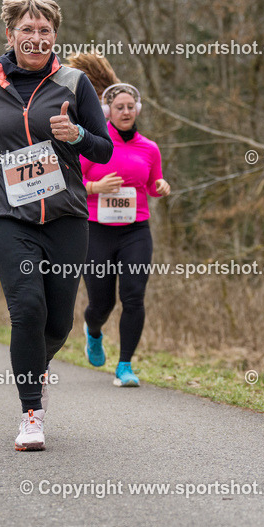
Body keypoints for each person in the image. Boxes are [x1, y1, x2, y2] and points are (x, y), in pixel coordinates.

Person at [0, 0, 113, 451]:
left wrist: (76, 134)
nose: (36, 38)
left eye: (44, 31)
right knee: (27, 309)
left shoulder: (74, 83)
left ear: (54, 35)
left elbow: (104, 148)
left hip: (66, 216)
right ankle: (31, 414)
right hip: (7, 214)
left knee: (57, 323)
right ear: (11, 34)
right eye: (27, 30)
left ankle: (33, 368)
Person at [79, 81, 170, 387]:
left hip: (136, 230)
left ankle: (125, 366)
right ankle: (93, 332)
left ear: (138, 110)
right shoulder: (94, 144)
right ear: (108, 111)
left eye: (131, 107)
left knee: (133, 297)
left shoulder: (150, 148)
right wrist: (95, 187)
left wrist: (161, 187)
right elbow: (69, 183)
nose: (126, 111)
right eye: (120, 107)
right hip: (97, 230)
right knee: (101, 303)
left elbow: (154, 184)